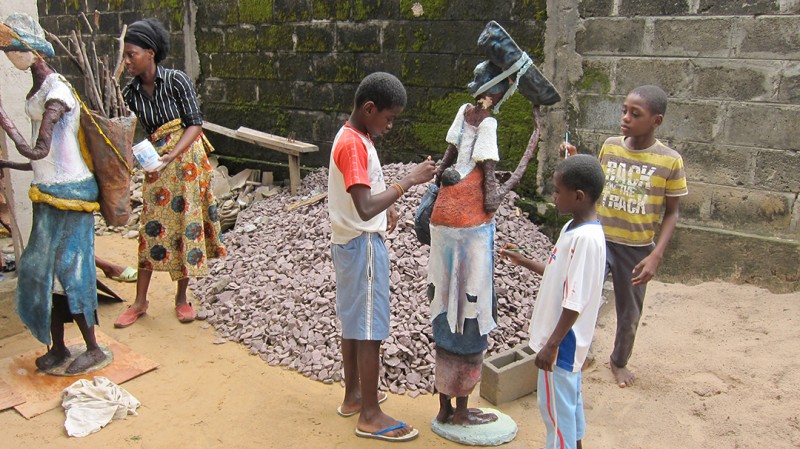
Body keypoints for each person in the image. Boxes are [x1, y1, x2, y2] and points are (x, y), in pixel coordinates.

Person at [328, 72, 435, 442]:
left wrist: (382, 208)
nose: (390, 126)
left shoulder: (353, 136)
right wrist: (408, 181)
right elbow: (363, 206)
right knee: (370, 328)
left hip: (346, 243)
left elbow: (364, 195)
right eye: (388, 118)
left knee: (353, 321)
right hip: (363, 246)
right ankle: (371, 415)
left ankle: (354, 396)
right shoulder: (355, 145)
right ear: (369, 108)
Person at [0, 13, 108, 374]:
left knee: (71, 270)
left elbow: (39, 150)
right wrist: (12, 166)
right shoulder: (38, 86)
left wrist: (5, 122)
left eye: (12, 48)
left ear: (30, 50)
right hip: (47, 191)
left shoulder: (57, 92)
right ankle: (59, 346)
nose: (9, 56)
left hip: (71, 193)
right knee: (39, 269)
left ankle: (92, 347)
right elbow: (38, 159)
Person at [562, 85, 687, 388]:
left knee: (629, 312)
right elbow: (599, 186)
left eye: (635, 114)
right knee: (579, 297)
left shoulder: (670, 161)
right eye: (624, 110)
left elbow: (672, 212)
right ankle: (580, 352)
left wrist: (655, 254)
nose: (626, 118)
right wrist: (578, 161)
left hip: (637, 249)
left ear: (656, 121)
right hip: (600, 240)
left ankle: (618, 361)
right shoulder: (611, 146)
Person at [114, 18, 226, 328]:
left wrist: (171, 154)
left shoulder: (176, 80)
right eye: (125, 55)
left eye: (131, 54)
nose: (126, 61)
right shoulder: (130, 93)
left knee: (185, 224)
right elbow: (131, 132)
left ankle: (181, 299)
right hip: (156, 165)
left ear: (150, 53)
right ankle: (139, 301)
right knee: (150, 225)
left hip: (187, 161)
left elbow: (195, 123)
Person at [500, 154, 607, 449]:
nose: (554, 197)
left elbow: (574, 301)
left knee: (555, 416)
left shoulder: (584, 240)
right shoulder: (574, 227)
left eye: (558, 191)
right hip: (564, 342)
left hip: (562, 343)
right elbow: (560, 276)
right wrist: (524, 261)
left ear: (579, 196)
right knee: (568, 405)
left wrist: (551, 345)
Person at [426, 60, 509, 426]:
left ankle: (448, 405)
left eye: (478, 80)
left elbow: (448, 156)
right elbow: (488, 178)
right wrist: (494, 194)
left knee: (446, 307)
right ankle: (458, 411)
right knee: (471, 313)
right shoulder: (487, 122)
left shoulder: (465, 113)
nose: (473, 84)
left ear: (488, 91)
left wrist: (435, 187)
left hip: (445, 217)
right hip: (471, 226)